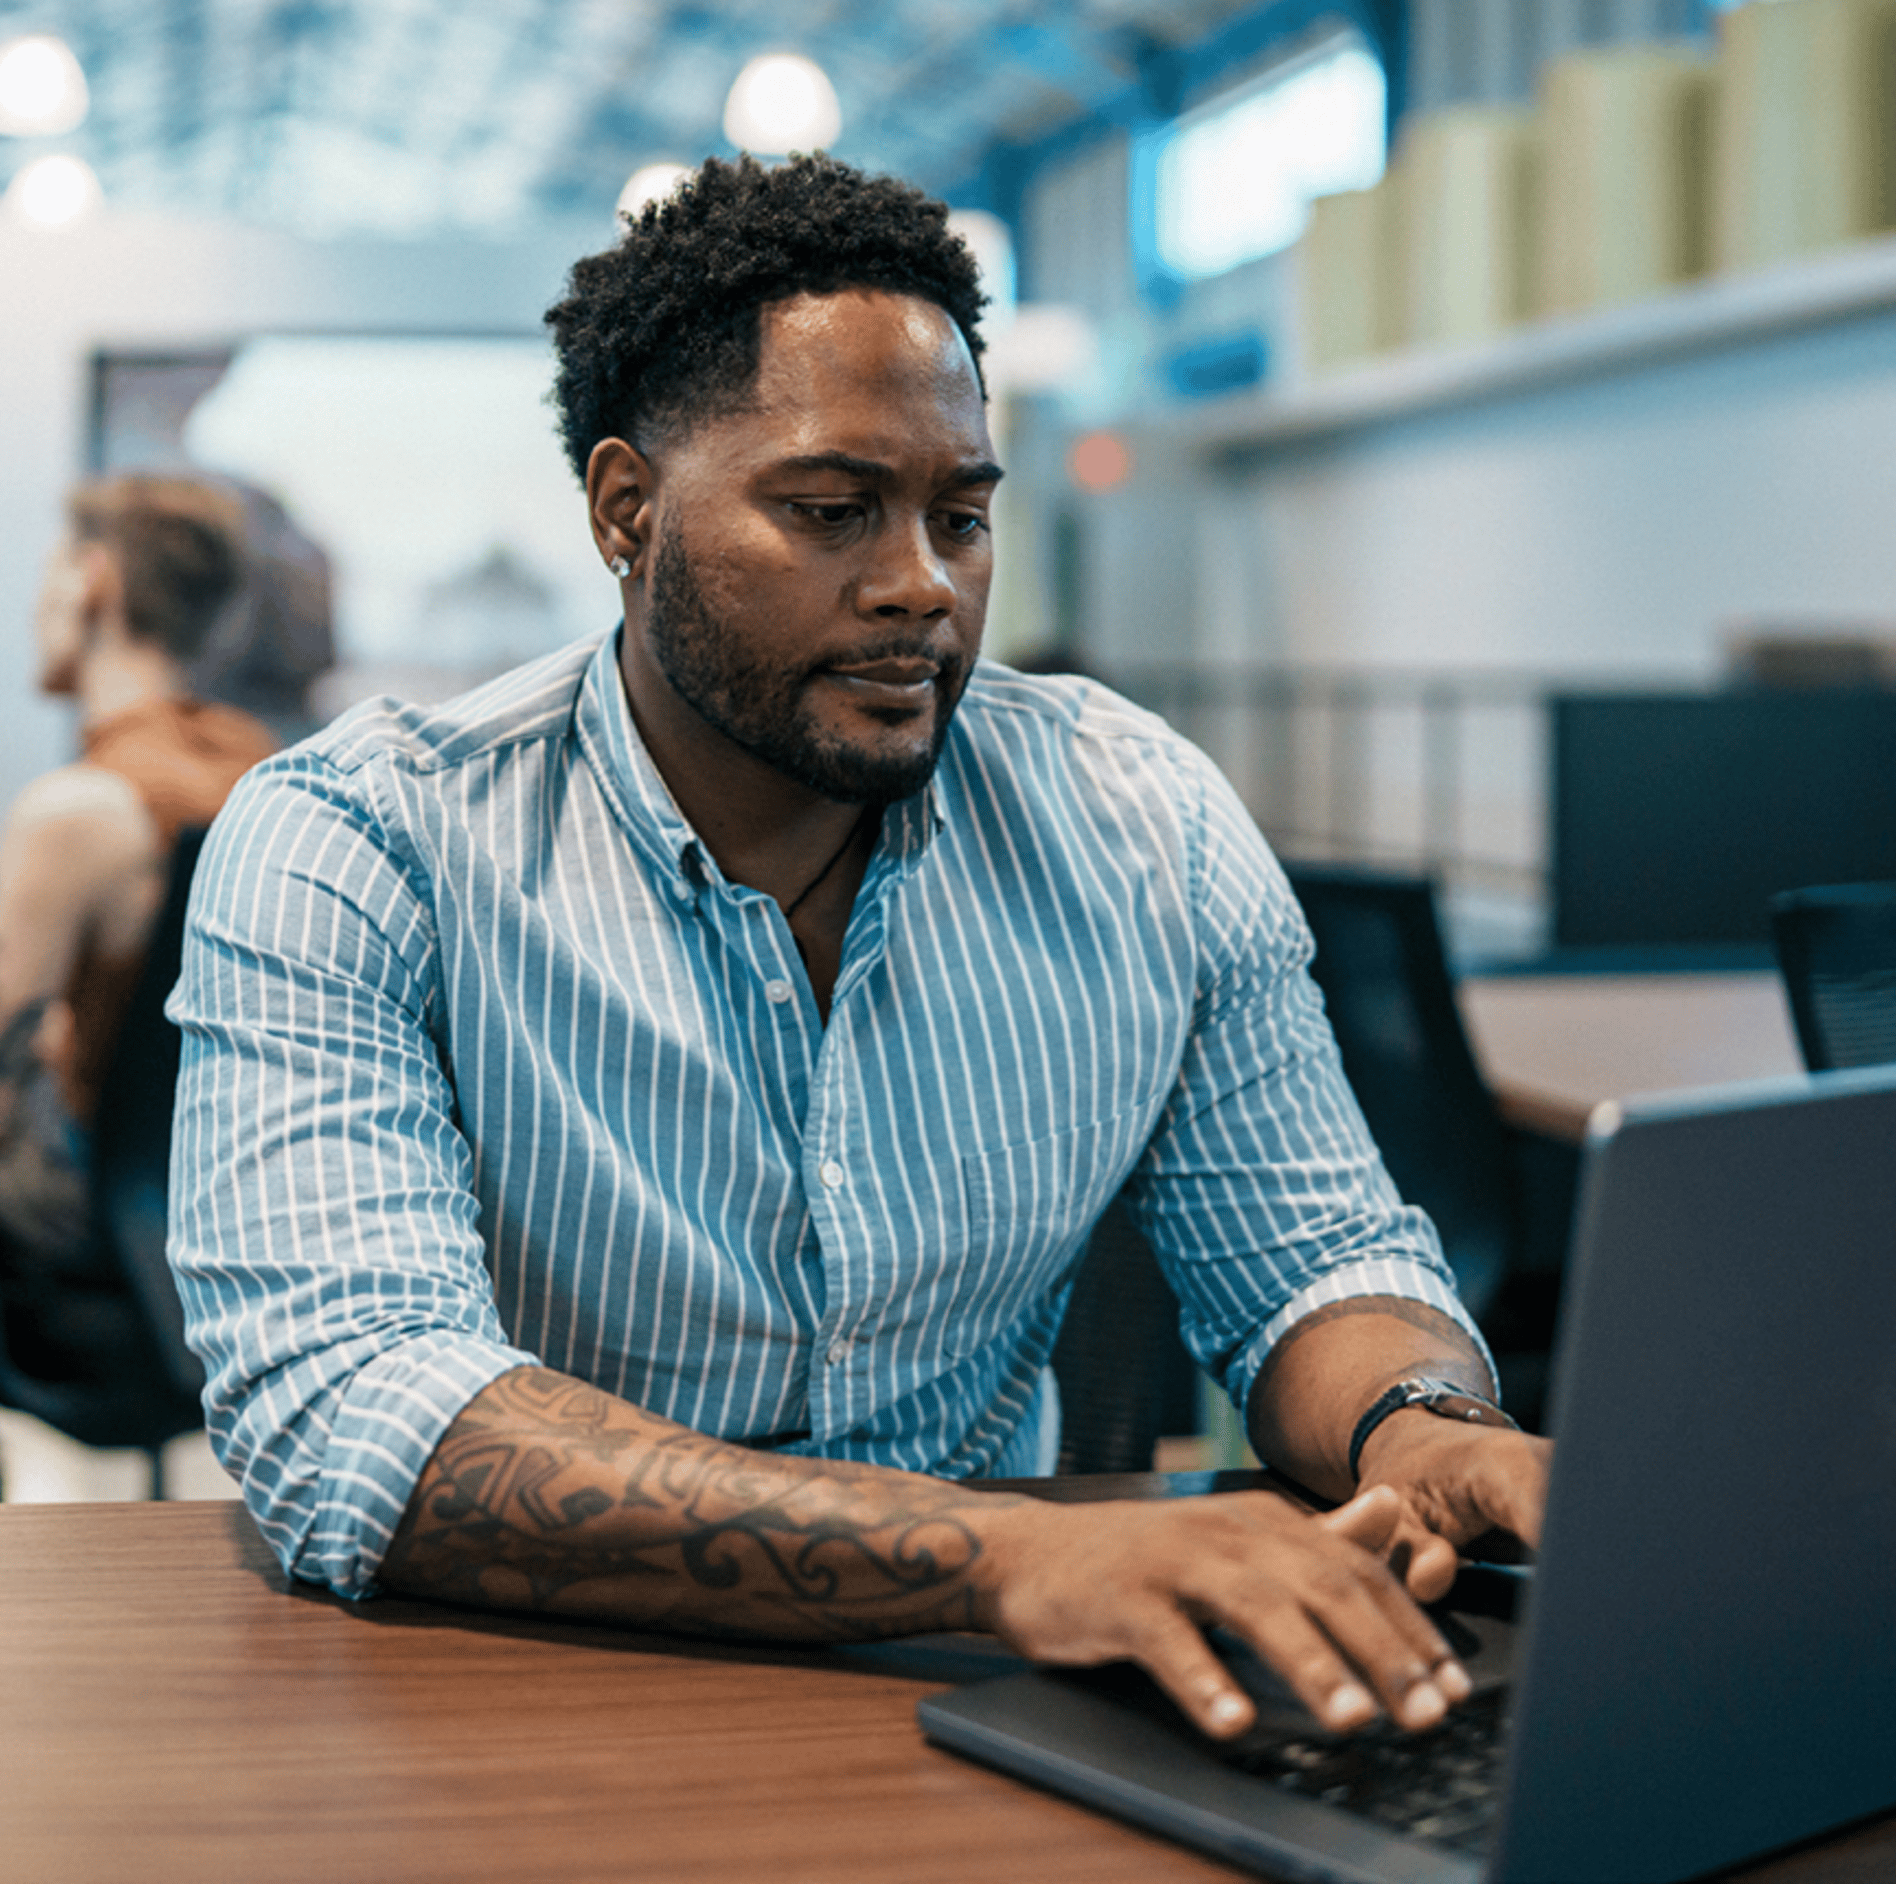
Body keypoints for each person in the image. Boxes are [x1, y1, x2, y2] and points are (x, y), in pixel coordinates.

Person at [168, 156, 1549, 1746]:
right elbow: (358, 1411)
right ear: (628, 510)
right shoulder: (364, 840)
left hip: (995, 1718)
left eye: (961, 518)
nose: (922, 587)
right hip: (519, 1713)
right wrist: (1010, 1555)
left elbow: (1313, 1264)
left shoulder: (1140, 820)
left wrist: (1419, 1424)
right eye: (832, 512)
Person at [0, 474, 274, 1264]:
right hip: (224, 1218)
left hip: (100, 1227)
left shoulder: (74, 810)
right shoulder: (255, 760)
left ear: (90, 579)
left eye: (48, 574)